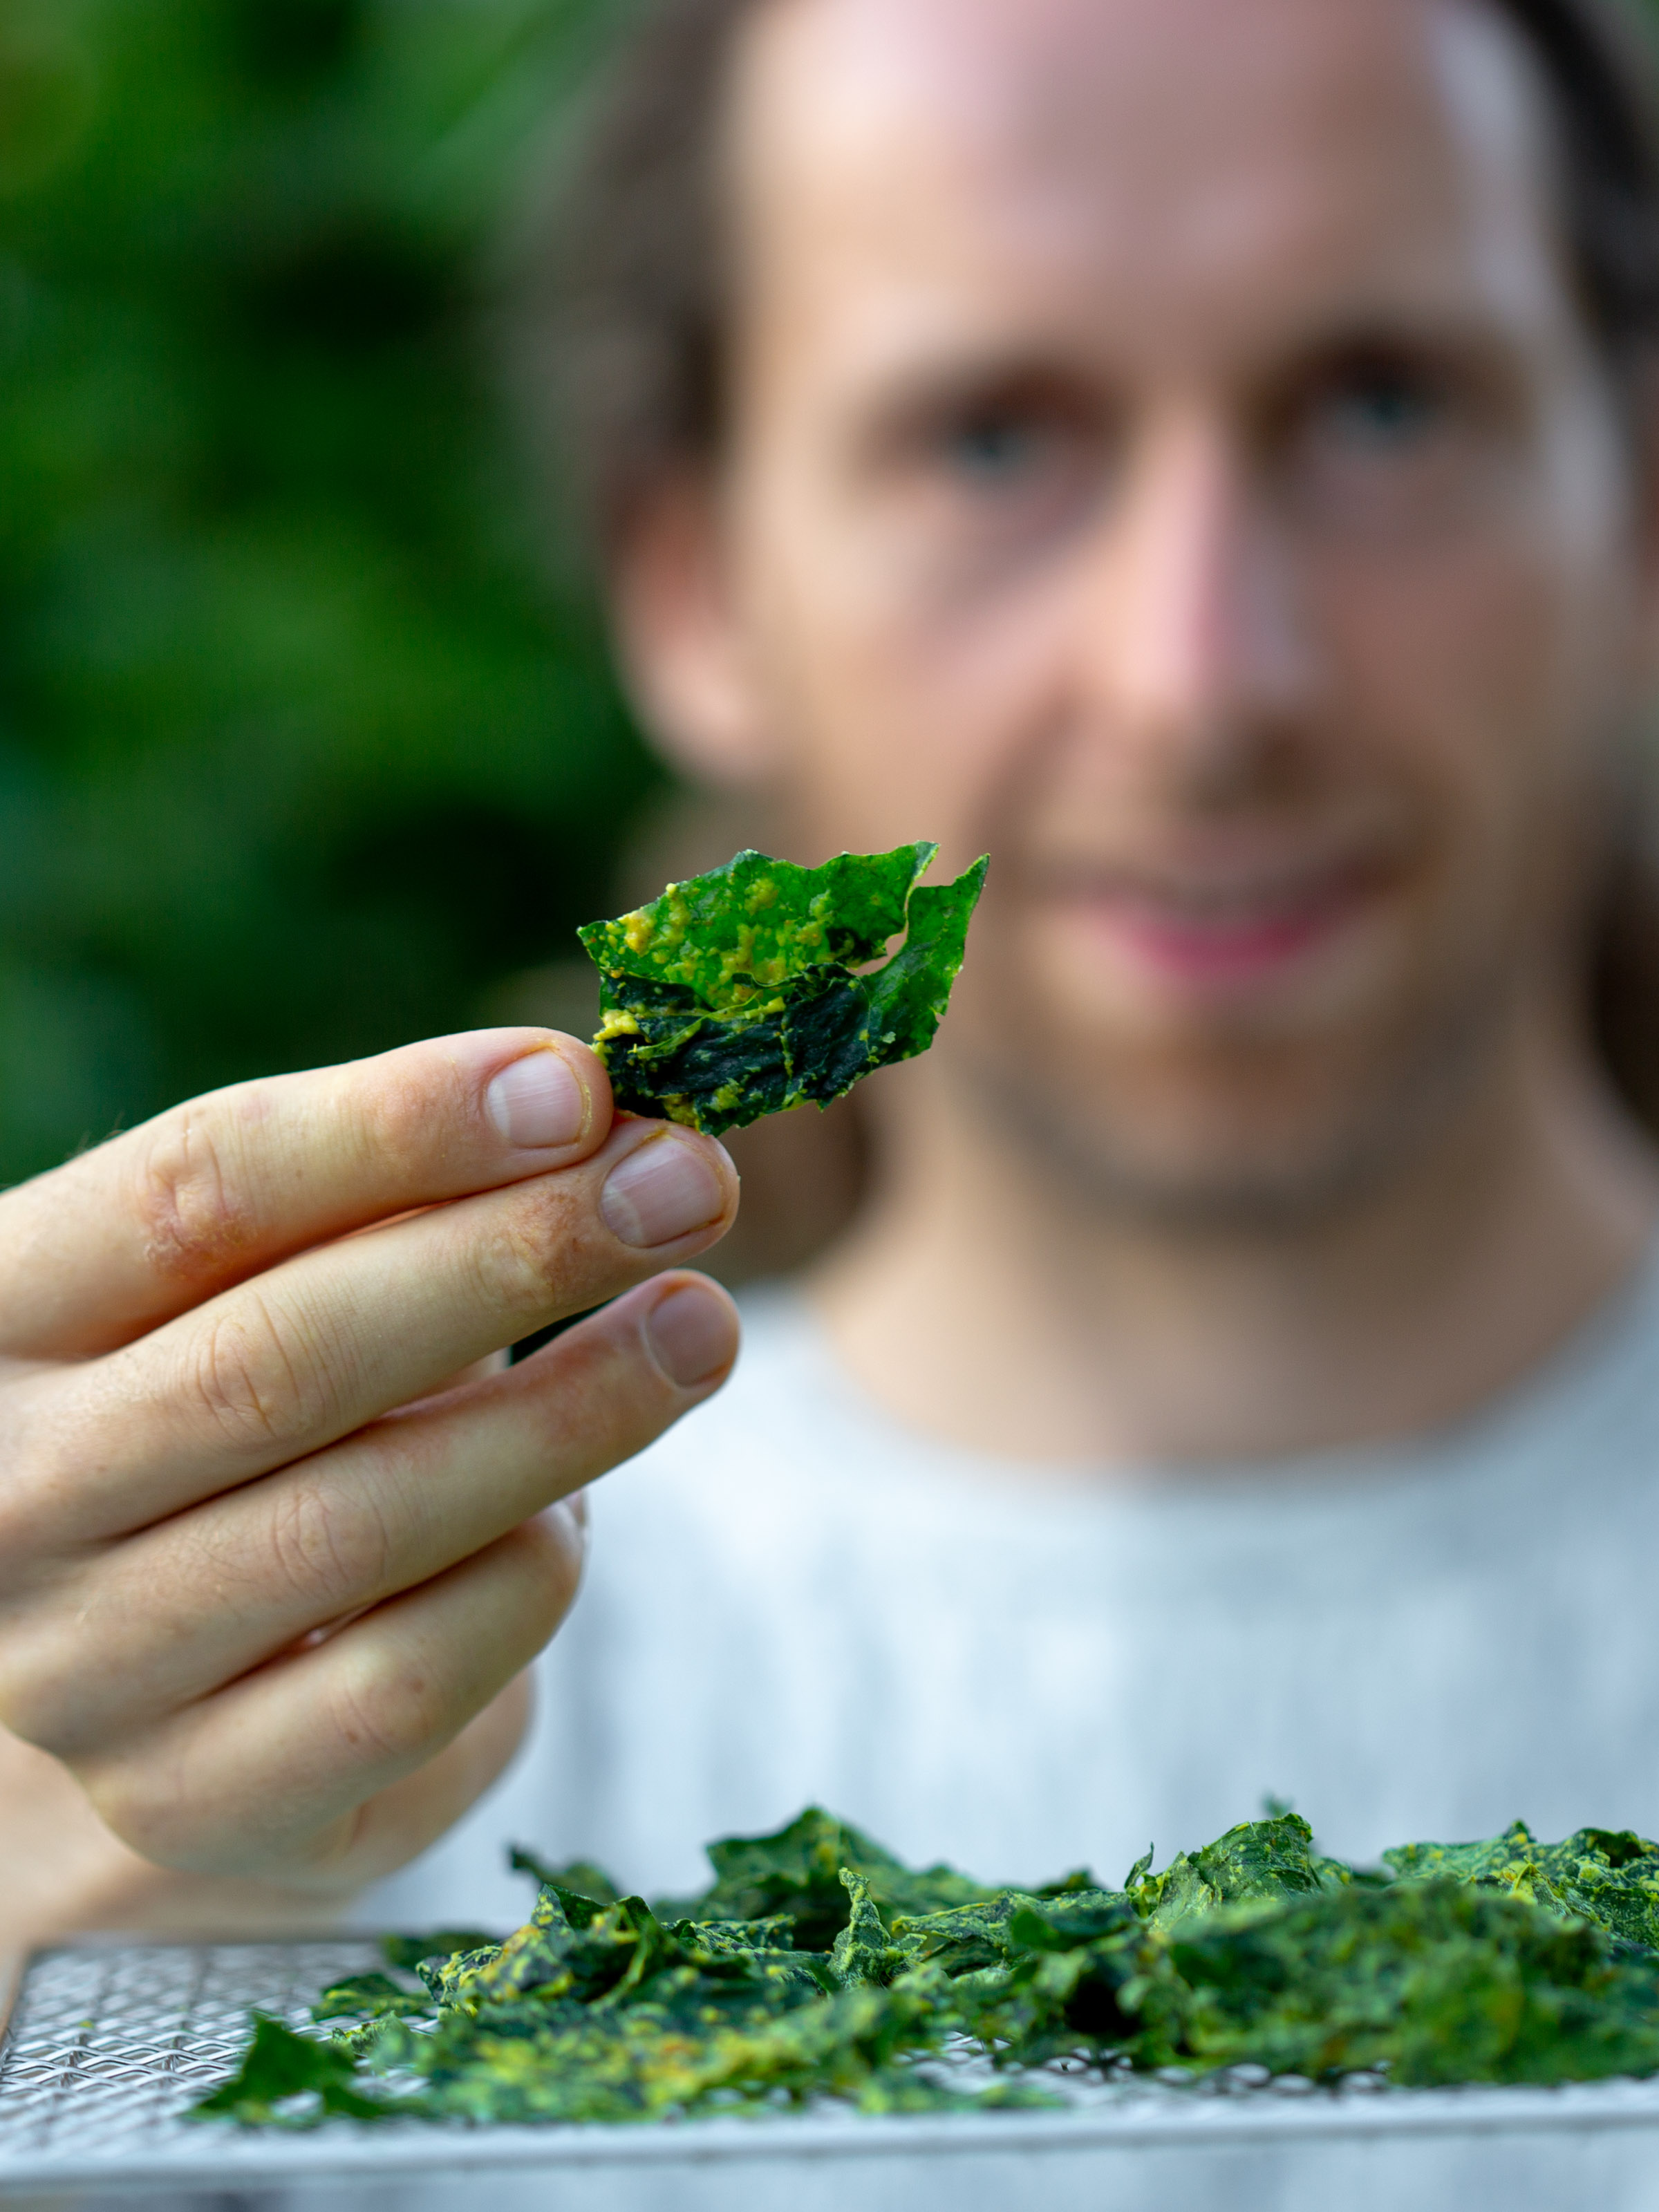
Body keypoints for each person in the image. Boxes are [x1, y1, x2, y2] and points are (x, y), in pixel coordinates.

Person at [6, 0, 1659, 1962]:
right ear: (693, 581)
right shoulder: (313, 1714)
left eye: (1381, 403)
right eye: (992, 439)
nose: (1205, 682)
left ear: (1636, 503)